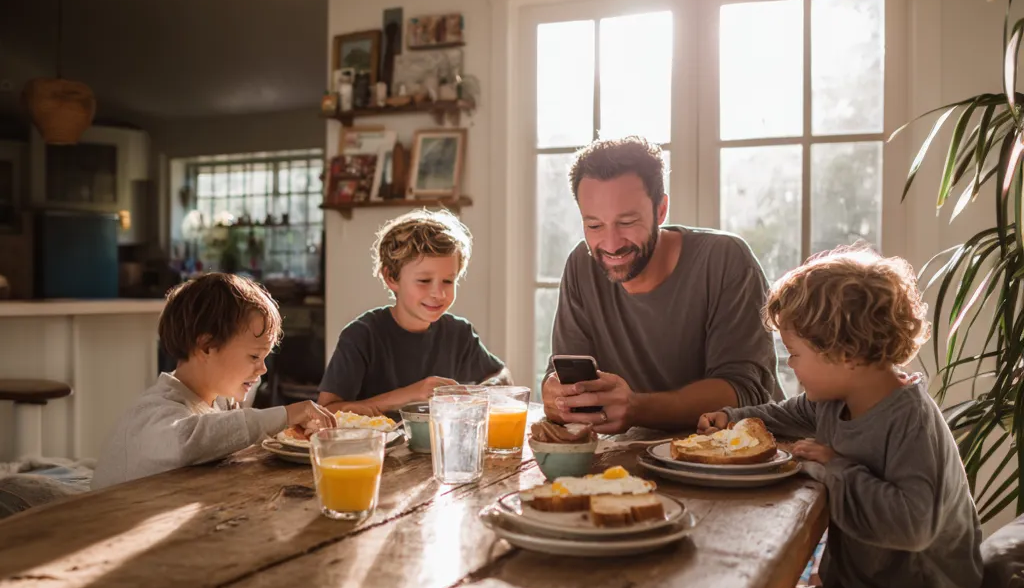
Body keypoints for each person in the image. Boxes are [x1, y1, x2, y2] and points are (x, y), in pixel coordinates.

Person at [696, 247, 987, 588]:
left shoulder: (909, 423)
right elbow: (783, 415)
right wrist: (732, 420)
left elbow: (913, 524)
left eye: (796, 353)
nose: (791, 366)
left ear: (845, 353)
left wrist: (832, 468)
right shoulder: (834, 401)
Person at [542, 136, 780, 434]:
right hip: (633, 460)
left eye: (627, 222)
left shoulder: (725, 260)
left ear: (660, 210)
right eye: (594, 225)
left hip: (737, 453)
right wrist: (555, 396)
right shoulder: (581, 265)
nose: (611, 244)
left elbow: (745, 389)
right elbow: (565, 374)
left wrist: (636, 408)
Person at [92, 274, 335, 491]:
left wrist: (288, 430)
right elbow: (188, 442)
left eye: (265, 357)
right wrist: (285, 414)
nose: (262, 368)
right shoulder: (153, 410)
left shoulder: (218, 403)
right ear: (207, 347)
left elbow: (227, 434)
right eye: (254, 356)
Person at [318, 209, 509, 415]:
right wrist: (410, 394)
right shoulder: (361, 335)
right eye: (424, 281)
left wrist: (481, 393)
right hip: (374, 446)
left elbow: (503, 375)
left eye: (448, 281)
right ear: (391, 278)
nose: (439, 293)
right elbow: (325, 411)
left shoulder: (459, 333)